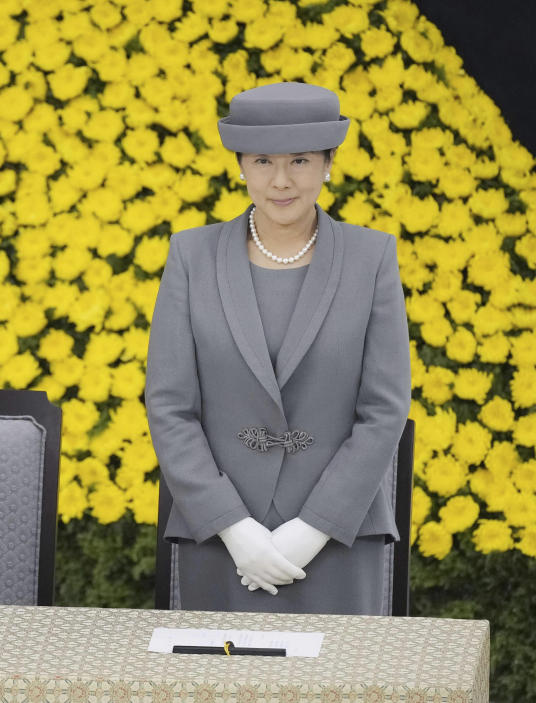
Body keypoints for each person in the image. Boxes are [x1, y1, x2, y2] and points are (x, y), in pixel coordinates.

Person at [146, 82, 410, 614]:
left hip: (338, 540)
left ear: (329, 164)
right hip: (220, 542)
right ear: (241, 164)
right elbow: (169, 406)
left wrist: (313, 529)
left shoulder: (372, 258)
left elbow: (384, 409)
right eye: (263, 161)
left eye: (301, 161)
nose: (282, 180)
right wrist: (234, 527)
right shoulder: (191, 255)